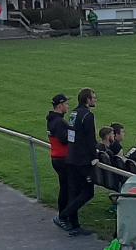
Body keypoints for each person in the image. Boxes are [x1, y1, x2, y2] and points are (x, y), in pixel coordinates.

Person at [57, 88, 98, 236]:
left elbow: (71, 135)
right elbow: (90, 138)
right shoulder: (88, 115)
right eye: (93, 98)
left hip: (71, 158)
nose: (95, 100)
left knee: (74, 193)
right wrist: (94, 156)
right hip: (82, 161)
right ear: (87, 100)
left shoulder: (74, 113)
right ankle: (63, 215)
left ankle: (74, 226)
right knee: (88, 192)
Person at [47, 94, 71, 227]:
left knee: (65, 188)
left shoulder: (52, 120)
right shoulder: (59, 122)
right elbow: (65, 139)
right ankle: (63, 217)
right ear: (60, 105)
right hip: (62, 159)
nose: (68, 106)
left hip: (57, 158)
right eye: (66, 104)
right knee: (66, 189)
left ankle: (64, 215)